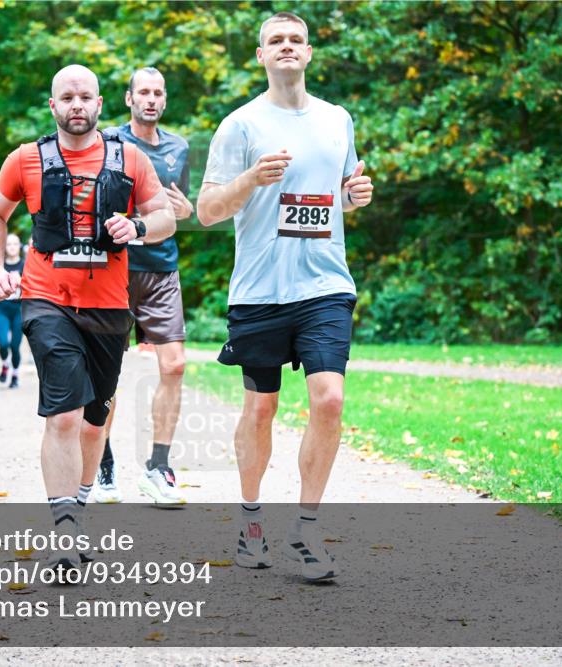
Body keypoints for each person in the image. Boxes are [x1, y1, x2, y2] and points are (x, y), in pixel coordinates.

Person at [196, 12, 375, 581]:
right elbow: (206, 212)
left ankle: (307, 527)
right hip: (260, 291)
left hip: (325, 284)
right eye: (276, 40)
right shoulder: (240, 125)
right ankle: (251, 521)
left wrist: (355, 196)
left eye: (296, 39)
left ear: (310, 52)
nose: (287, 47)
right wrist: (250, 179)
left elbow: (338, 196)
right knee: (261, 408)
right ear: (261, 55)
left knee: (328, 400)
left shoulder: (337, 119)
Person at [0, 64, 175, 571]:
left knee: (94, 422)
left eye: (85, 96)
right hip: (47, 298)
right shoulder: (26, 159)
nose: (76, 105)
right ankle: (64, 532)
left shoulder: (129, 158)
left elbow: (165, 216)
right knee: (64, 411)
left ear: (100, 103)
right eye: (66, 97)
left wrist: (136, 225)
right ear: (53, 105)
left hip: (110, 306)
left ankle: (78, 507)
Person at [92, 67, 193, 506]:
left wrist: (188, 211)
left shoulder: (180, 147)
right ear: (128, 98)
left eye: (158, 93)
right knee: (108, 373)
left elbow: (180, 210)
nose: (150, 100)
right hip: (116, 267)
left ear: (164, 101)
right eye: (143, 93)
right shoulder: (109, 142)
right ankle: (102, 463)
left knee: (174, 366)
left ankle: (159, 467)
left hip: (162, 269)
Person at [0, 233, 25, 388]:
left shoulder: (26, 265)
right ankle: (5, 363)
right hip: (2, 308)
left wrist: (22, 282)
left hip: (19, 308)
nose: (12, 247)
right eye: (8, 244)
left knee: (15, 345)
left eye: (14, 244)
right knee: (3, 343)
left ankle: (15, 375)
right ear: (4, 247)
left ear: (19, 246)